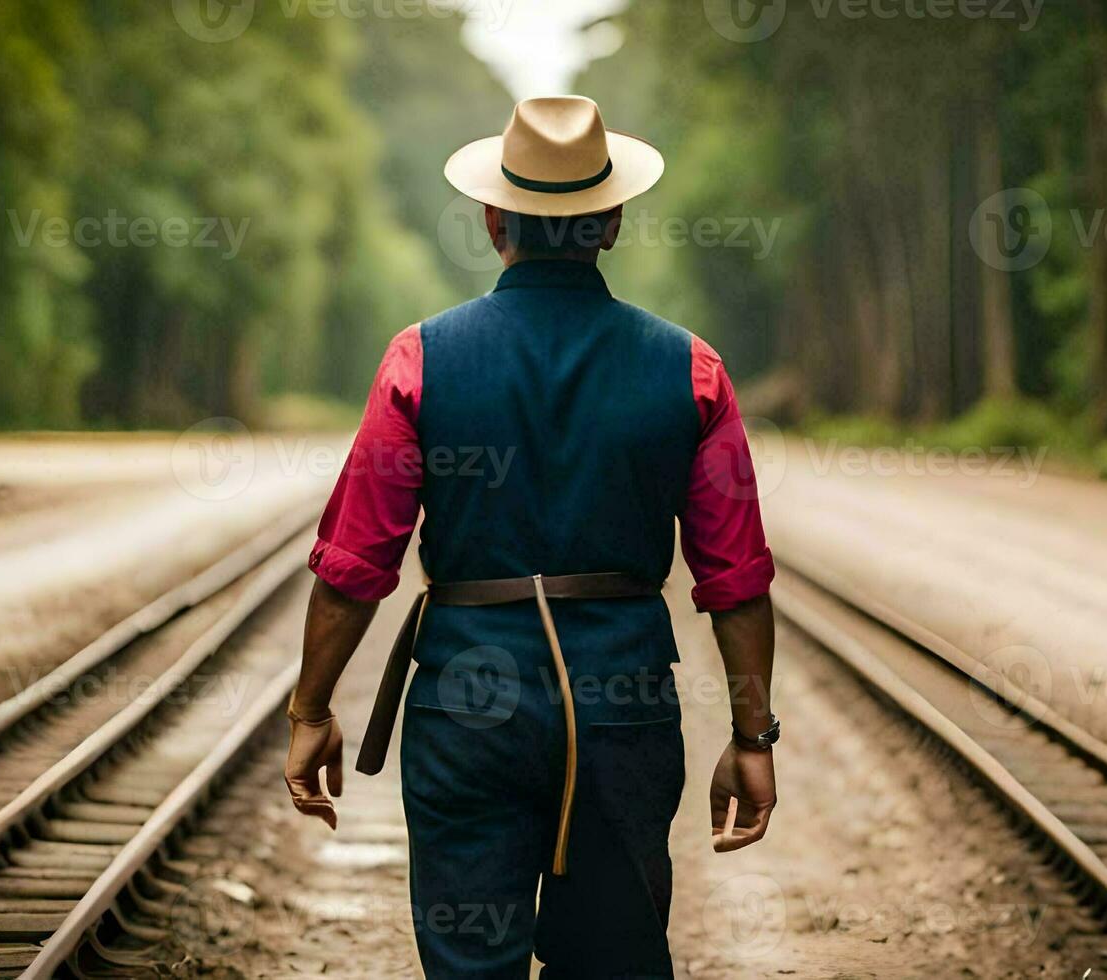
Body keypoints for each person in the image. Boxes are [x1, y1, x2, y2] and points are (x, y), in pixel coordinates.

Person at [283, 95, 778, 978]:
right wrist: (751, 739)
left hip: (469, 704)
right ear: (613, 221)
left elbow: (358, 565)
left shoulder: (421, 360)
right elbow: (734, 576)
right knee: (614, 959)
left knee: (471, 960)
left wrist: (312, 710)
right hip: (623, 707)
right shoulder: (691, 370)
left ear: (491, 217)